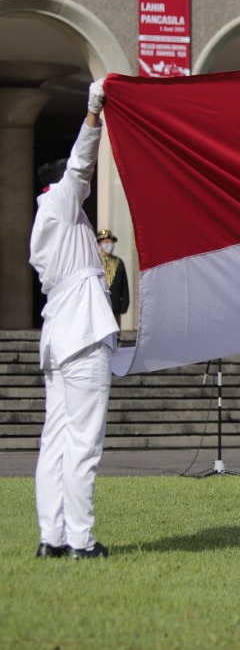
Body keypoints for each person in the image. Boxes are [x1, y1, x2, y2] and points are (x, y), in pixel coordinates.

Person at [29, 80, 117, 560]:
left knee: (57, 441)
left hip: (60, 336)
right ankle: (81, 541)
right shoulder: (59, 206)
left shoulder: (48, 224)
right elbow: (81, 165)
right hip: (81, 335)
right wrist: (93, 111)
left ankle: (53, 538)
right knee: (82, 442)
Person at [95, 228, 129, 327]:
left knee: (115, 329)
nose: (109, 244)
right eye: (106, 242)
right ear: (99, 244)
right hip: (98, 305)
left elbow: (124, 285)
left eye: (111, 242)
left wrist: (125, 302)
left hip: (115, 306)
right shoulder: (95, 261)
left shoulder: (119, 262)